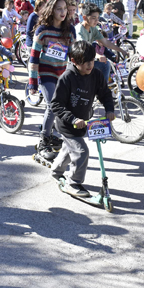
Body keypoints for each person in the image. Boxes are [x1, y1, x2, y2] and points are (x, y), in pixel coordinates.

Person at [49, 41, 114, 197]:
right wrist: (72, 119)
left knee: (69, 149)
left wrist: (109, 109)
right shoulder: (67, 77)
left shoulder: (96, 75)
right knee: (81, 151)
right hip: (67, 124)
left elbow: (105, 93)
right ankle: (73, 182)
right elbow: (56, 104)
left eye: (91, 61)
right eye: (85, 63)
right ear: (74, 61)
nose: (89, 65)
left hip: (83, 122)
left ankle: (56, 170)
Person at [29, 0, 76, 158]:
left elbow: (74, 57)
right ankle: (44, 140)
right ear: (51, 10)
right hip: (45, 73)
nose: (63, 12)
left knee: (62, 106)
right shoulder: (42, 30)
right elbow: (34, 58)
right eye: (58, 9)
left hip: (62, 74)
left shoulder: (70, 31)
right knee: (52, 105)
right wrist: (32, 82)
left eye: (65, 9)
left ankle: (52, 134)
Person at [76, 3, 127, 82]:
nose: (97, 21)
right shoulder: (79, 30)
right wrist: (98, 55)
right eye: (94, 18)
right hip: (78, 63)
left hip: (88, 61)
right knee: (103, 66)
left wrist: (121, 51)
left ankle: (102, 89)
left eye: (98, 18)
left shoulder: (93, 29)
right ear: (84, 17)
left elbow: (106, 42)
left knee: (106, 64)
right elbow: (83, 47)